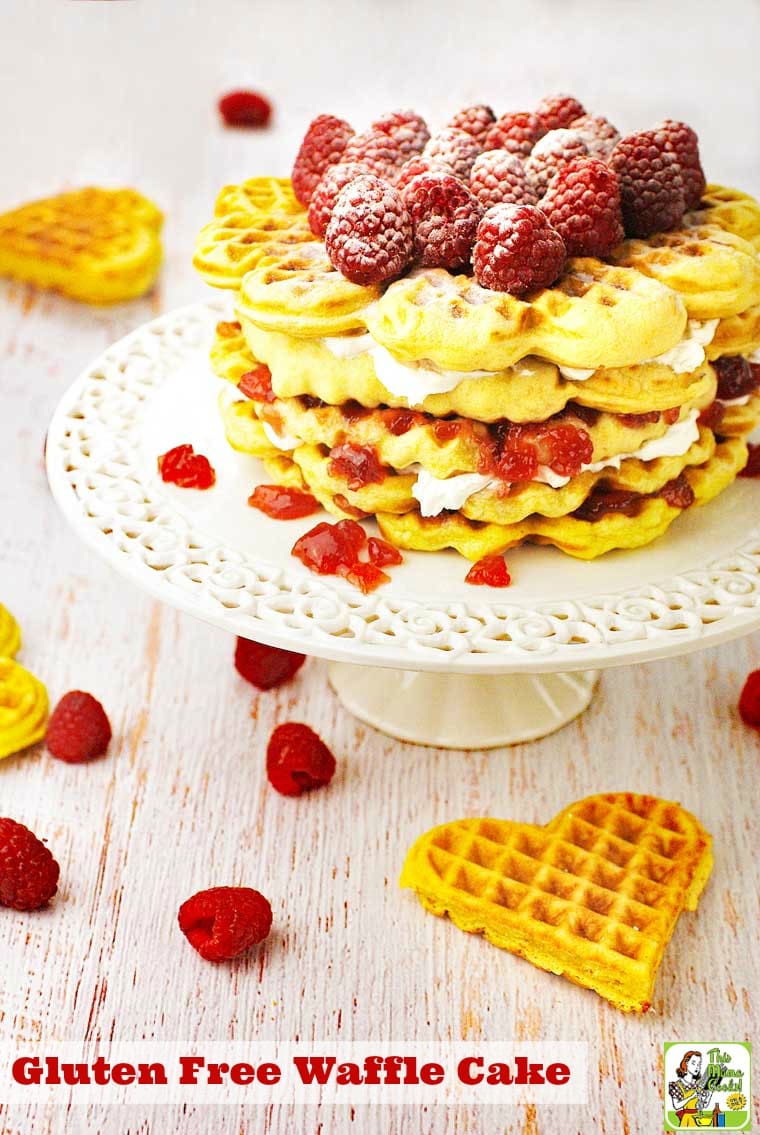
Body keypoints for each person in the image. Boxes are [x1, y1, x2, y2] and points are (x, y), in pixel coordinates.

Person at [668, 1051, 720, 1128]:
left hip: (698, 1119)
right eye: (693, 1063)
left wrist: (710, 1092)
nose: (697, 1067)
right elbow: (676, 1106)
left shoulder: (699, 1084)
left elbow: (704, 1105)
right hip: (687, 1120)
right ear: (686, 1063)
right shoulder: (676, 1085)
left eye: (699, 1064)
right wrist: (692, 1096)